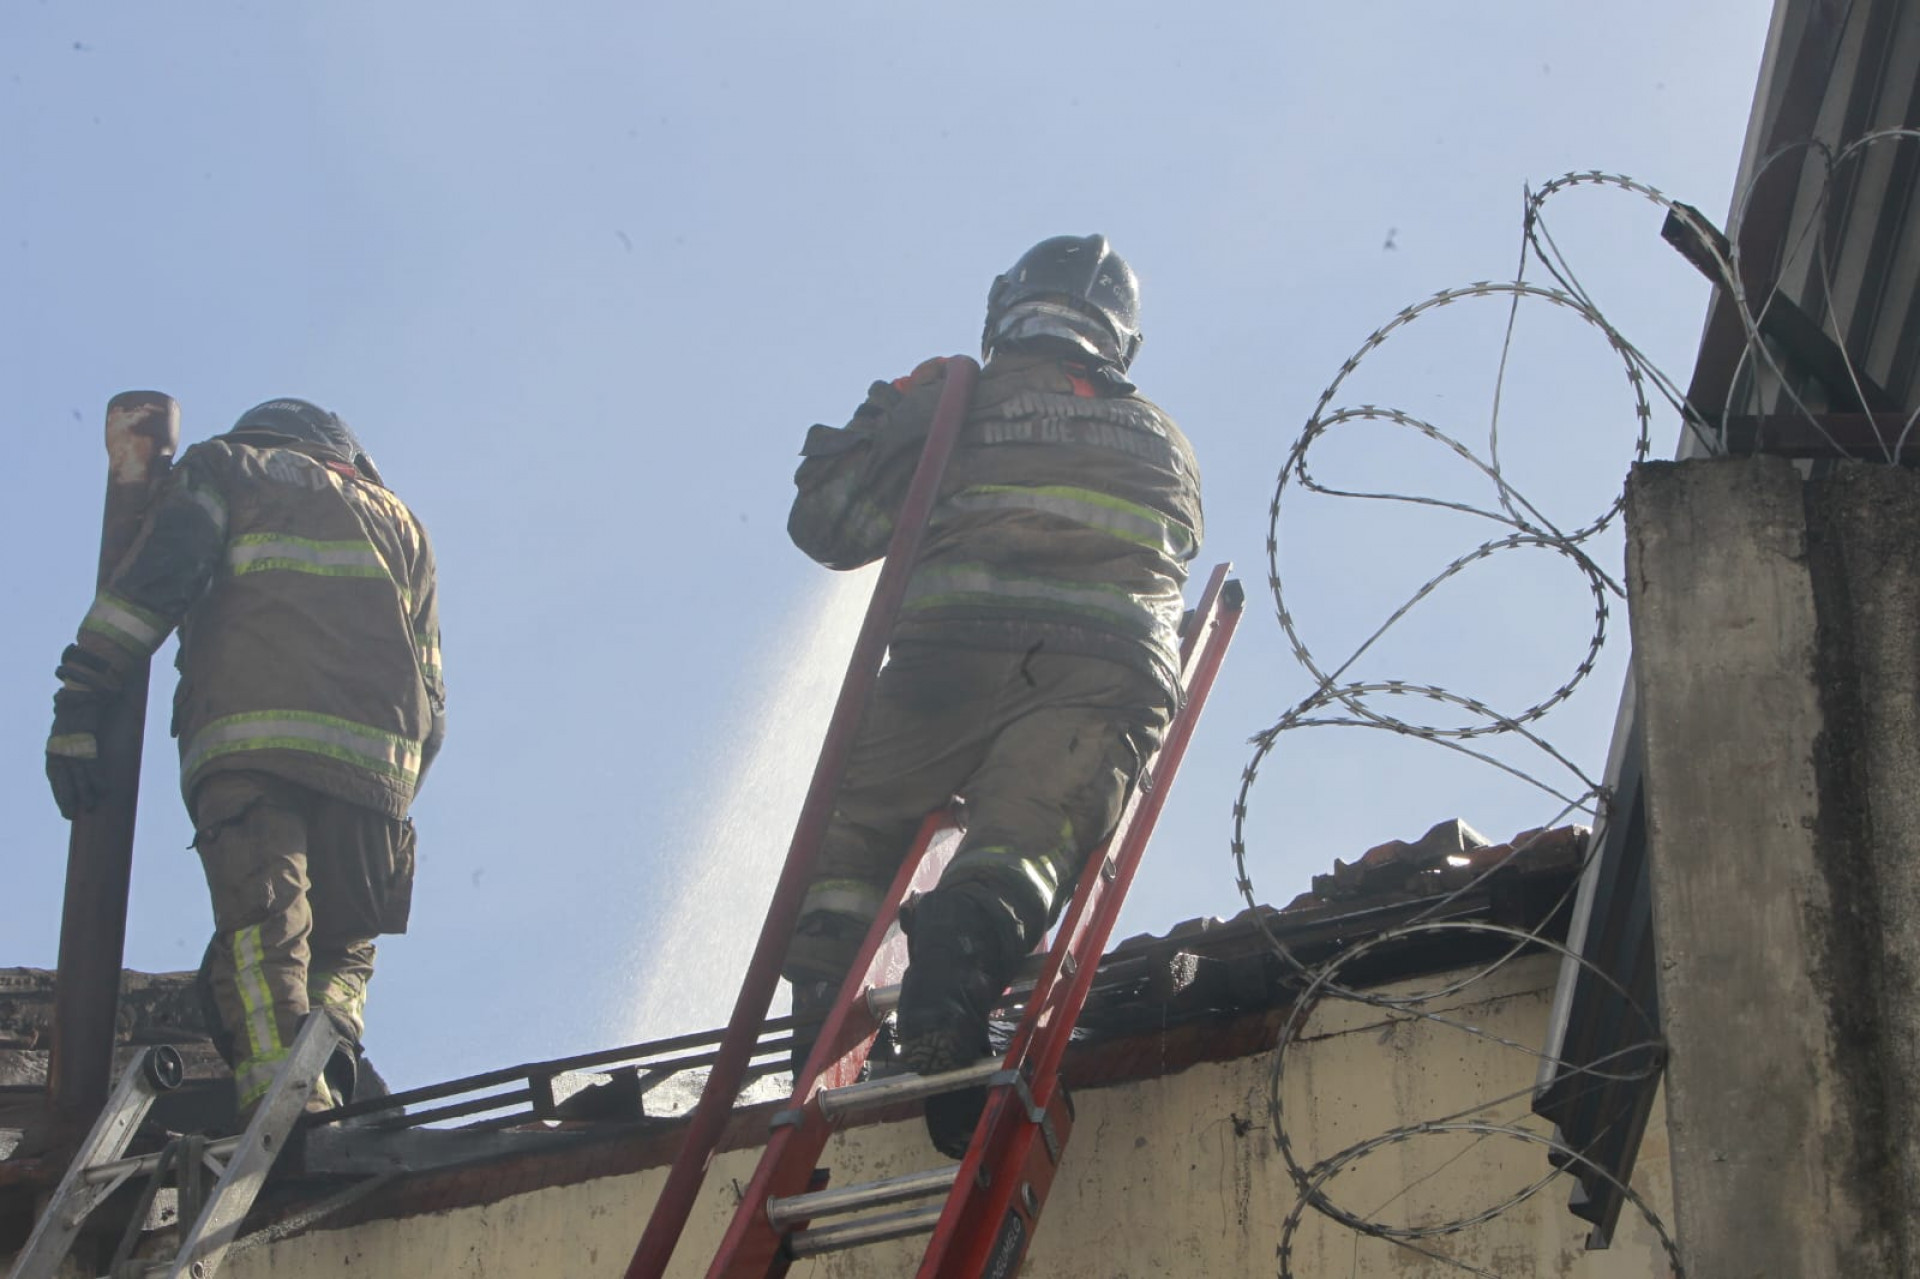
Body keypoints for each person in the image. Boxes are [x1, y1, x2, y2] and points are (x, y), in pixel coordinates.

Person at [783, 234, 1203, 1156]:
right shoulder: (1167, 441)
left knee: (858, 828)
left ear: (1007, 303)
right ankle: (956, 971)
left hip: (948, 657)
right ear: (1118, 339)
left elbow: (829, 524)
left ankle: (820, 1002)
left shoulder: (956, 396)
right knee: (1026, 837)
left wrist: (890, 405)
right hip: (1101, 672)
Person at [44, 398, 445, 1118]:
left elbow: (152, 587)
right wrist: (388, 783)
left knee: (266, 934)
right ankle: (329, 1063)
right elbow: (434, 698)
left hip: (250, 751)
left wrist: (81, 699)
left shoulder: (228, 469)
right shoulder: (403, 523)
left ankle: (282, 1096)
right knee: (344, 944)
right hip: (378, 774)